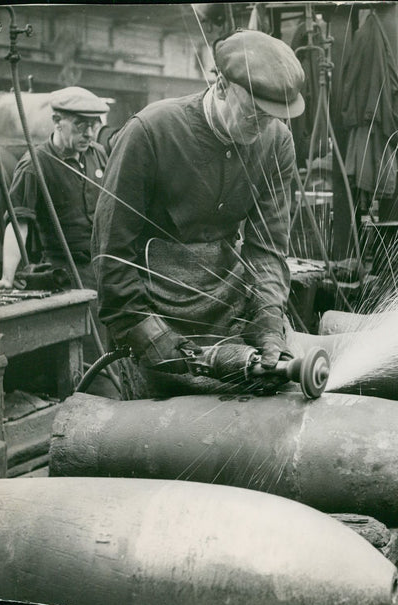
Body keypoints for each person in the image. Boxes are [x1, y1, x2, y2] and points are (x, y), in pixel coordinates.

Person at [91, 29, 305, 400]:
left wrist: (268, 321)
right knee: (165, 434)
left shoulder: (277, 141)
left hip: (228, 303)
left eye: (274, 117)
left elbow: (268, 248)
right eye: (256, 112)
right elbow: (110, 250)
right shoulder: (151, 131)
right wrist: (143, 331)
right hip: (155, 309)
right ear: (221, 86)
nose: (265, 126)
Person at [0, 86, 109, 291]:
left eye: (94, 125)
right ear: (56, 121)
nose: (89, 134)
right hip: (66, 272)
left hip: (103, 266)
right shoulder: (34, 165)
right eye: (80, 125)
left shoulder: (97, 154)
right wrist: (7, 277)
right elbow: (18, 222)